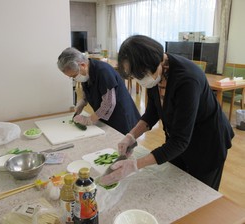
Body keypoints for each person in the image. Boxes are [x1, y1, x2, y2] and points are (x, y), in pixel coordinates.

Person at [99, 35, 234, 190]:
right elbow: (152, 112)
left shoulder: (187, 80)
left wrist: (135, 165)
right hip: (179, 139)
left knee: (199, 193)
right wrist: (131, 136)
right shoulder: (154, 73)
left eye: (139, 75)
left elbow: (179, 141)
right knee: (174, 184)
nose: (138, 80)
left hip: (208, 143)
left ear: (153, 63)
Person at [57, 47, 140, 135]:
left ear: (82, 65)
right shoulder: (85, 72)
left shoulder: (103, 72)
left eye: (74, 75)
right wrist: (82, 102)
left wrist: (89, 120)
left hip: (121, 117)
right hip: (106, 117)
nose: (74, 78)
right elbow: (88, 89)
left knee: (122, 143)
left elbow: (108, 103)